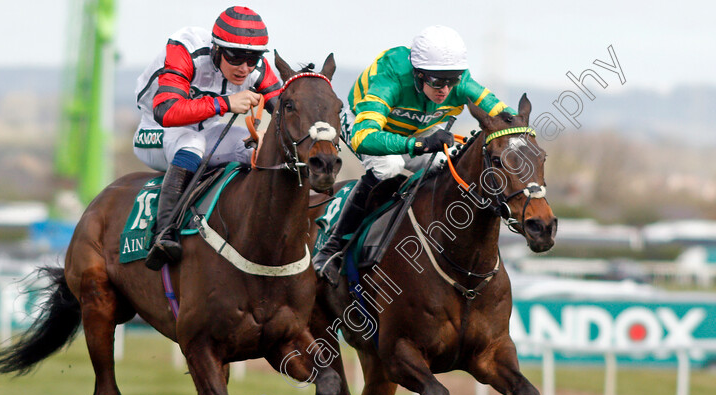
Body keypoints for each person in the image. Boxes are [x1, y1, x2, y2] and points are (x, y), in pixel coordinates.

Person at [313, 26, 516, 285]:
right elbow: (364, 137)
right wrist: (420, 145)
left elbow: (507, 116)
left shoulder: (460, 81)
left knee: (451, 166)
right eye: (436, 81)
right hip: (365, 124)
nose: (445, 89)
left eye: (451, 80)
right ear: (418, 74)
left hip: (418, 129)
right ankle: (332, 250)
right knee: (389, 167)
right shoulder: (392, 75)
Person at [134, 6, 282, 270]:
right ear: (216, 49)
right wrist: (225, 103)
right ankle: (163, 233)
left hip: (207, 130)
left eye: (253, 59)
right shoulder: (186, 49)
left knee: (260, 150)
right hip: (156, 129)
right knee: (193, 143)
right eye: (236, 57)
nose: (244, 68)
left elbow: (285, 109)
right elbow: (165, 111)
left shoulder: (255, 69)